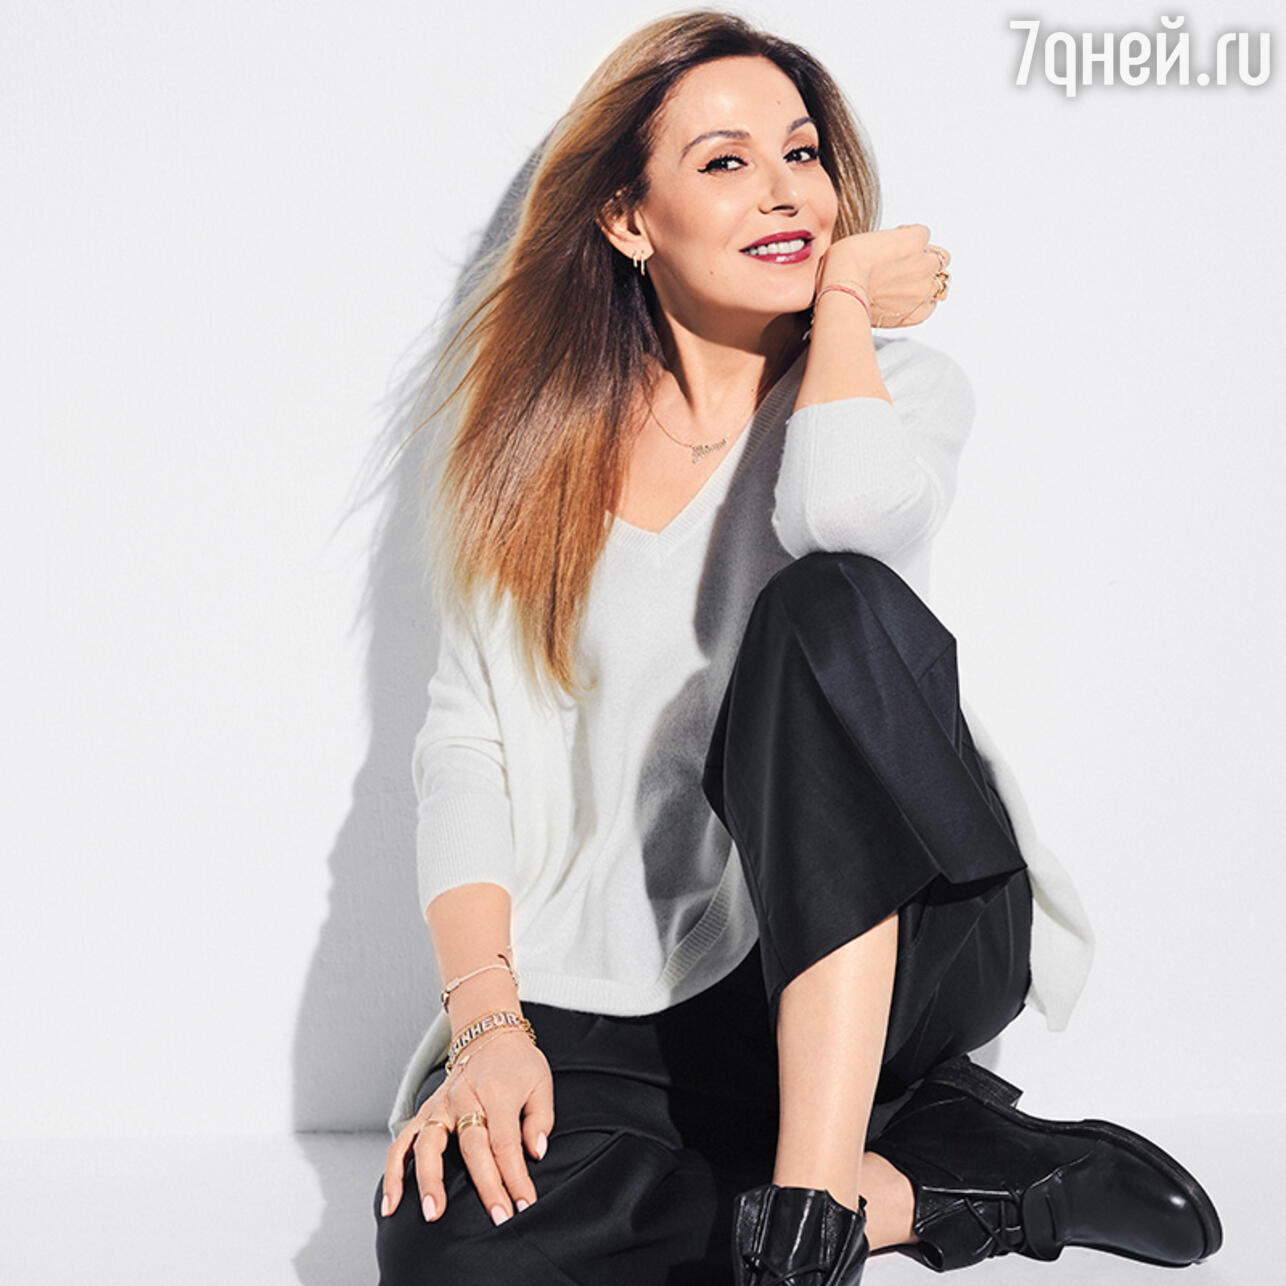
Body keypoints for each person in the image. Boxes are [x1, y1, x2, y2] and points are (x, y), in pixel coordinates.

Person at [372, 10, 1223, 1284]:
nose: (785, 191)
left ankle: (811, 1209)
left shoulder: (892, 390)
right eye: (725, 161)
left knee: (821, 610)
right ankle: (933, 1180)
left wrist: (839, 305)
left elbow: (839, 521)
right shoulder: (524, 455)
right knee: (445, 1238)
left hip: (907, 933)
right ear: (626, 217)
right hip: (640, 995)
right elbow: (465, 747)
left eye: (803, 153)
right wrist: (486, 1022)